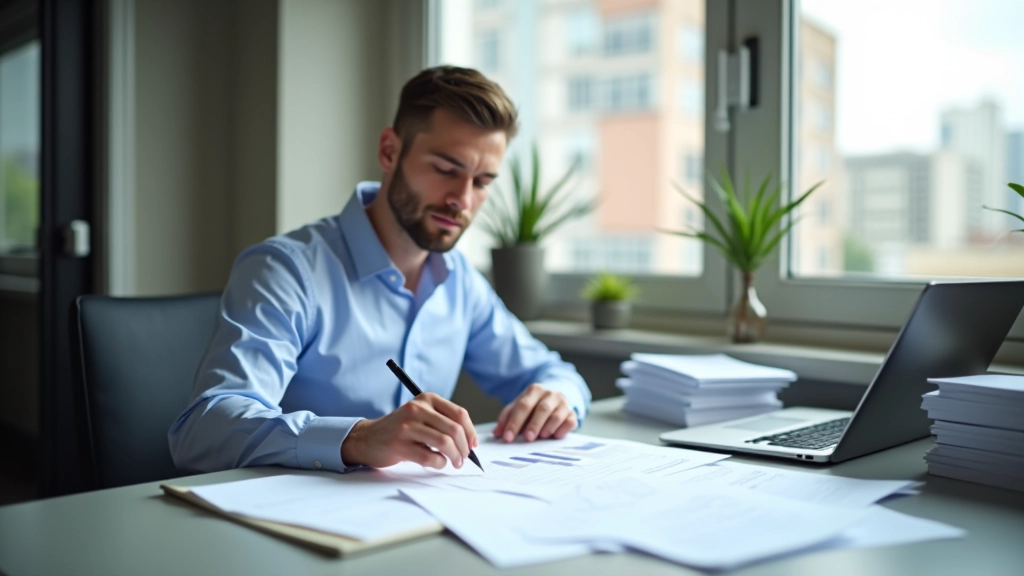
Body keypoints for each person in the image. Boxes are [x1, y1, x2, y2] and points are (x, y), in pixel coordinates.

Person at [168, 66, 592, 474]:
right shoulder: (286, 271)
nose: (462, 199)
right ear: (390, 151)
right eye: (446, 169)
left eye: (481, 182)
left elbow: (553, 374)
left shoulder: (459, 281)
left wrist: (557, 398)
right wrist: (358, 438)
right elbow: (205, 430)